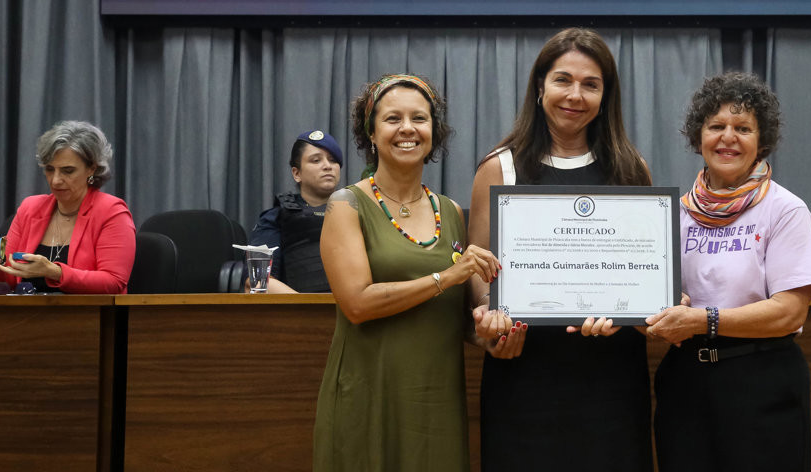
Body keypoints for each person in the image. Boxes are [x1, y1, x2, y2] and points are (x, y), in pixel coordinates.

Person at [469, 27, 654, 472]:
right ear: (539, 87)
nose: (575, 95)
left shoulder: (631, 169)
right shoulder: (500, 167)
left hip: (611, 373)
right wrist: (490, 321)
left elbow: (647, 268)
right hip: (525, 371)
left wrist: (639, 305)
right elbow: (477, 267)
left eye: (591, 84)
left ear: (606, 95)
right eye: (562, 80)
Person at [313, 74, 502, 472]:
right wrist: (446, 277)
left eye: (419, 118)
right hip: (369, 395)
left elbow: (461, 319)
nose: (407, 129)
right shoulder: (346, 205)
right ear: (371, 132)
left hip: (436, 402)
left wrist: (491, 335)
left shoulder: (448, 211)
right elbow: (358, 304)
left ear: (434, 130)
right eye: (392, 118)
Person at [645, 72, 811, 471]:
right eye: (716, 126)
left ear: (762, 140)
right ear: (698, 136)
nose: (728, 138)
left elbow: (790, 312)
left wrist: (701, 319)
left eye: (743, 128)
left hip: (763, 382)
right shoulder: (669, 216)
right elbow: (655, 306)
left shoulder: (785, 210)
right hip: (684, 384)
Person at [0, 120, 136, 294]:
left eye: (67, 171)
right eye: (49, 169)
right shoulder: (30, 208)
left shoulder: (112, 212)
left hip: (87, 316)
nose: (55, 180)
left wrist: (54, 272)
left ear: (92, 168)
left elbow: (113, 283)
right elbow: (6, 283)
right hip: (27, 317)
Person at [247, 129, 343, 293]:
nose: (327, 166)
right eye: (316, 160)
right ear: (296, 173)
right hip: (300, 312)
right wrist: (307, 308)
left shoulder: (358, 212)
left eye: (333, 160)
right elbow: (257, 281)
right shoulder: (275, 217)